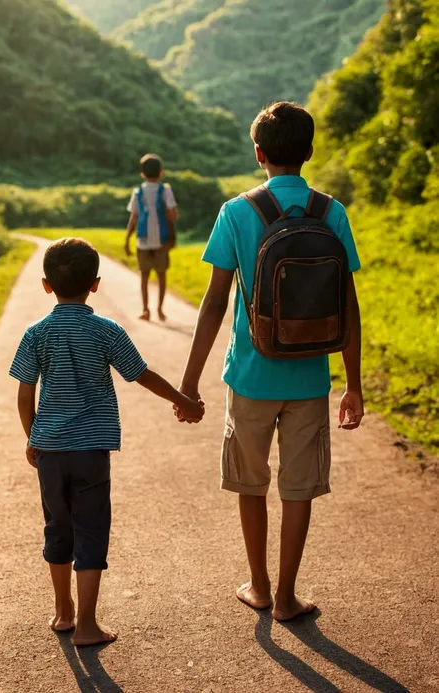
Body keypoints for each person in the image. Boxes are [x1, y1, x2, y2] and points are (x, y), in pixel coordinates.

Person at [176, 102, 363, 621]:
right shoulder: (332, 212)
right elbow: (347, 305)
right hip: (309, 376)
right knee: (298, 487)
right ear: (309, 152)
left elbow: (215, 302)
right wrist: (354, 385)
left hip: (251, 374)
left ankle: (257, 586)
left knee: (250, 482)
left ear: (258, 153)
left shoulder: (236, 212)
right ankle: (286, 596)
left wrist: (189, 383)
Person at [9, 237, 203, 647]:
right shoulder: (106, 331)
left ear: (46, 285)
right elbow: (141, 373)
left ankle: (63, 613)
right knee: (92, 529)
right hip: (92, 451)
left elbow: (25, 394)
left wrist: (34, 438)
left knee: (57, 527)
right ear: (95, 284)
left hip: (51, 452)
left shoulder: (35, 334)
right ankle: (88, 625)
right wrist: (183, 401)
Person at [125, 153, 178, 322]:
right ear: (161, 172)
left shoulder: (137, 192)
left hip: (142, 240)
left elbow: (133, 218)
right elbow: (172, 215)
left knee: (144, 276)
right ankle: (160, 310)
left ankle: (145, 309)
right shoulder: (166, 190)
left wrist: (127, 240)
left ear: (142, 173)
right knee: (161, 276)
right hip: (161, 241)